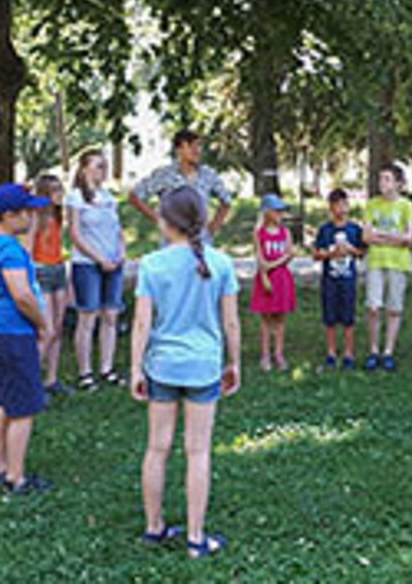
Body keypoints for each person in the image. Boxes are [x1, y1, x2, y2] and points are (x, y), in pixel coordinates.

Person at [131, 186, 240, 558]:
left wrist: (136, 368)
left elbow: (142, 324)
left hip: (162, 366)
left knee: (156, 448)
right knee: (198, 452)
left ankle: (154, 529)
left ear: (165, 221)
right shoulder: (221, 263)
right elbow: (231, 322)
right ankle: (196, 538)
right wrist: (235, 363)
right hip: (204, 368)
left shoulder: (152, 264)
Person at [0, 183, 54, 493]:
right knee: (23, 409)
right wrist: (43, 324)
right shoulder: (9, 250)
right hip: (14, 334)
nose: (31, 217)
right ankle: (16, 478)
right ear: (9, 215)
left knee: (6, 400)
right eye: (26, 212)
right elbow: (22, 295)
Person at [66, 149, 125, 390]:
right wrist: (99, 259)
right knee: (87, 317)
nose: (104, 170)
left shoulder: (109, 196)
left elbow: (118, 230)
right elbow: (75, 235)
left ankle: (107, 369)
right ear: (84, 169)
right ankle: (85, 373)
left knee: (111, 315)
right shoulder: (75, 197)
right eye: (99, 165)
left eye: (105, 166)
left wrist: (121, 253)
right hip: (87, 264)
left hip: (114, 263)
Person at [129, 129, 232, 243]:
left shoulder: (208, 175)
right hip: (172, 243)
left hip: (202, 243)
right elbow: (135, 196)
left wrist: (212, 228)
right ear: (179, 149)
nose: (196, 151)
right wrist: (160, 221)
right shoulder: (164, 175)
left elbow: (226, 201)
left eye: (198, 146)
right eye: (190, 146)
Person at [363, 164, 412, 372]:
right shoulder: (372, 204)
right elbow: (366, 236)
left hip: (398, 263)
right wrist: (394, 237)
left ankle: (388, 352)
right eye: (380, 179)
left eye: (387, 179)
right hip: (375, 262)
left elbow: (409, 238)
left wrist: (381, 235)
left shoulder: (406, 206)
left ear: (398, 184)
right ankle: (373, 350)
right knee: (373, 307)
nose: (382, 183)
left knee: (394, 309)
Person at [27, 175, 73, 398]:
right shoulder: (36, 215)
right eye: (55, 190)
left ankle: (51, 380)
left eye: (60, 188)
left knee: (58, 327)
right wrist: (29, 277)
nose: (60, 193)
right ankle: (29, 383)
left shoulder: (57, 214)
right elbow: (27, 248)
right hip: (42, 271)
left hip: (58, 269)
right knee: (47, 330)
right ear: (44, 192)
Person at [313, 188, 365, 369]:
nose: (341, 209)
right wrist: (331, 253)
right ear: (330, 208)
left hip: (348, 280)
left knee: (348, 317)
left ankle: (349, 353)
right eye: (336, 205)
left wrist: (351, 250)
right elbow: (316, 254)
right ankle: (331, 353)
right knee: (330, 317)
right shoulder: (325, 230)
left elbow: (362, 252)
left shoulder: (354, 229)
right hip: (330, 280)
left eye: (344, 204)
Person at [250, 194, 297, 371]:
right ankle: (265, 354)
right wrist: (264, 275)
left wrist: (272, 264)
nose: (280, 214)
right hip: (267, 280)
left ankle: (279, 353)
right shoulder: (259, 233)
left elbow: (289, 255)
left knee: (280, 319)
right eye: (277, 211)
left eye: (282, 211)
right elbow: (260, 259)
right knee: (266, 320)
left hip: (282, 279)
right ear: (267, 212)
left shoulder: (286, 232)